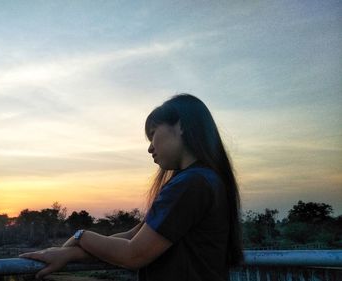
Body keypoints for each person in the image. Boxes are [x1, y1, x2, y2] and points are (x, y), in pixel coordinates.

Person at [19, 94, 244, 280]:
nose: (150, 148)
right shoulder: (206, 180)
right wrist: (69, 255)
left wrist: (81, 235)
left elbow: (133, 254)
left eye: (153, 134)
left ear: (181, 126)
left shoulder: (191, 185)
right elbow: (130, 238)